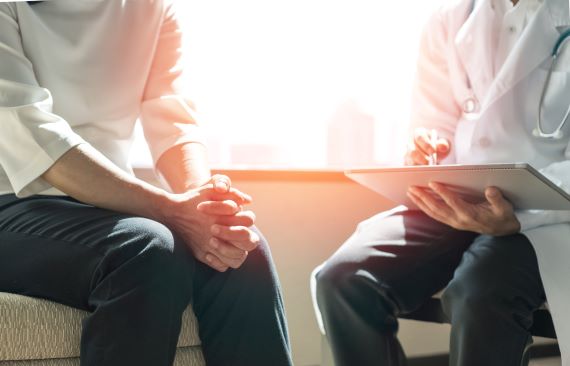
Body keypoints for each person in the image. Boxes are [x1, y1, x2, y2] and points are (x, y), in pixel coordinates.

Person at [0, 1, 292, 366]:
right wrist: (171, 210)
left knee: (238, 251)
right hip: (11, 200)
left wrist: (206, 210)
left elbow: (173, 121)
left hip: (103, 206)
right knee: (147, 250)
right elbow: (36, 140)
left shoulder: (152, 7)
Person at [313, 0, 570, 365]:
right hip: (459, 196)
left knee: (478, 292)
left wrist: (520, 217)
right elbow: (434, 122)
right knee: (344, 280)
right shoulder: (451, 18)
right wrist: (429, 147)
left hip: (549, 211)